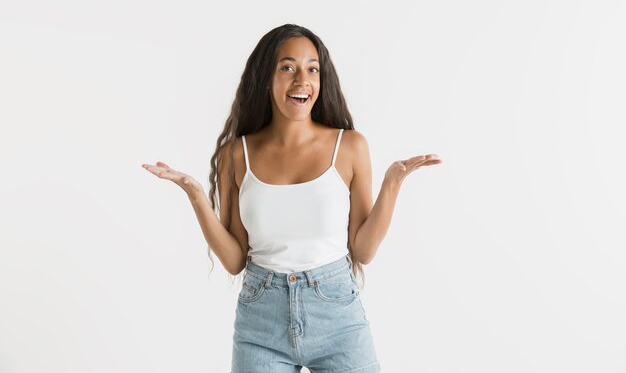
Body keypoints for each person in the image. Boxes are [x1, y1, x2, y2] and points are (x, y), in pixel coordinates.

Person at [142, 24, 442, 372]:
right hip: (261, 322)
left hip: (337, 319)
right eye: (288, 67)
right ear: (266, 78)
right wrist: (194, 193)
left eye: (312, 69)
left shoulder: (350, 147)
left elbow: (363, 250)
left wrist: (392, 184)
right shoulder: (236, 155)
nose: (302, 80)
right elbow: (235, 259)